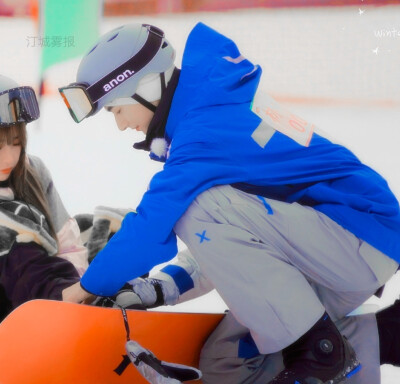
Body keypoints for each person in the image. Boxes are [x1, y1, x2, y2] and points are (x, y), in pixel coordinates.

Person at [59, 23, 400, 383]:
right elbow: (240, 245)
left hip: (361, 233)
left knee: (195, 207)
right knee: (225, 359)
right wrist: (162, 287)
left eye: (116, 110)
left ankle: (320, 353)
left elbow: (152, 226)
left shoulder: (203, 129)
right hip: (327, 245)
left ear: (146, 86)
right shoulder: (207, 109)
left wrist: (85, 288)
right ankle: (383, 337)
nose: (121, 125)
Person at [0, 74, 88, 321]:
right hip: (15, 309)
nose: (9, 158)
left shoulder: (32, 171)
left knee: (105, 230)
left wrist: (80, 289)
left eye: (16, 143)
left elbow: (67, 242)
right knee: (17, 245)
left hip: (51, 294)